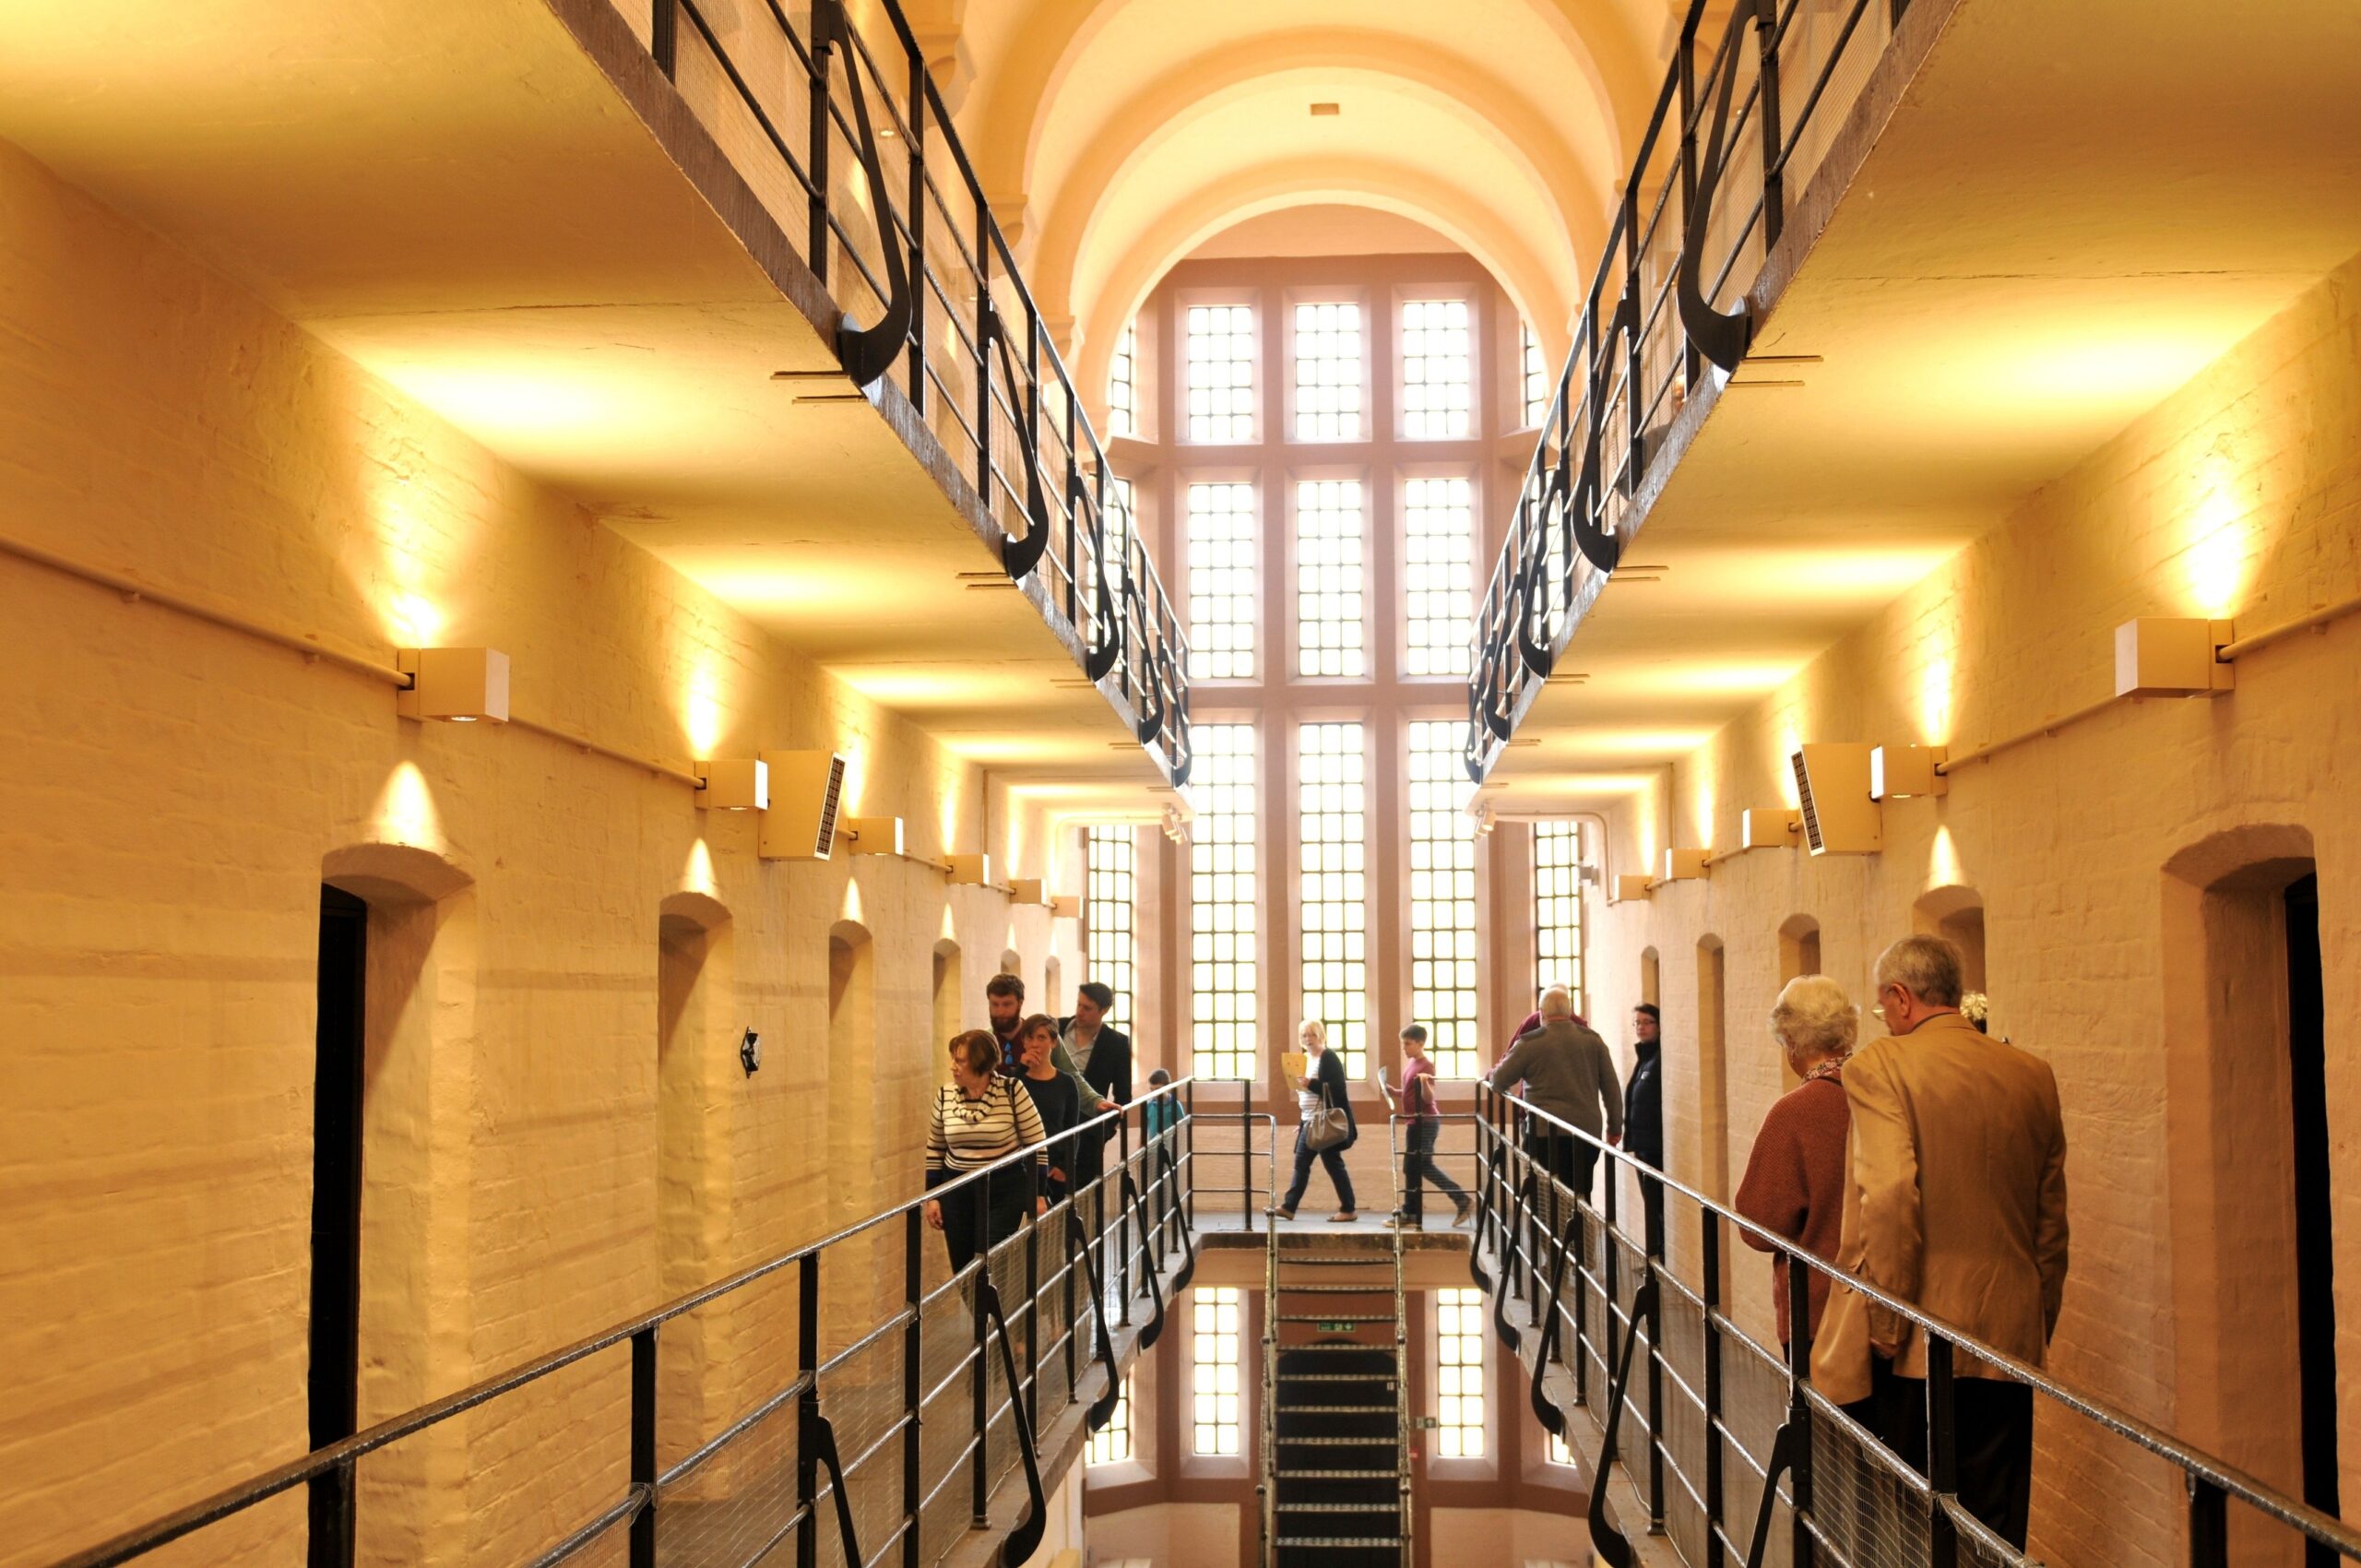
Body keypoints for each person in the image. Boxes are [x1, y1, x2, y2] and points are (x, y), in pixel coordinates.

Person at [1813, 935, 2069, 1550]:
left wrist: (1887, 1319)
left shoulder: (1881, 1067)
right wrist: (2033, 1324)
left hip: (1917, 1335)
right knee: (1995, 1522)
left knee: (1909, 1519)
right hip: (2007, 1334)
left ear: (1901, 998)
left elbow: (1893, 1195)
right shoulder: (2032, 1074)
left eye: (1881, 1008)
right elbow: (2051, 1226)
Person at [1733, 976, 1857, 1355]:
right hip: (1887, 1308)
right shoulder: (1882, 1093)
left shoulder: (1794, 1112)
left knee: (1819, 1413)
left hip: (1819, 1308)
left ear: (1790, 1040)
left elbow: (1759, 1226)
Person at [1489, 986, 1620, 1224]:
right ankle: (1583, 1256)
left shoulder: (1530, 1043)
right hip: (1585, 1133)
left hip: (1543, 1134)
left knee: (1544, 1197)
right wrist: (1615, 1127)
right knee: (1580, 1195)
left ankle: (1551, 1256)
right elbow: (1611, 1089)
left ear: (1541, 1013)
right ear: (1570, 1012)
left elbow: (1498, 1080)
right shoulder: (1593, 1041)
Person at [924, 1030, 1050, 1271]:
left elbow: (1037, 1145)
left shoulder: (1011, 1091)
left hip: (1004, 1189)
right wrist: (932, 1197)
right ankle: (978, 1310)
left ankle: (997, 1309)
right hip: (957, 1190)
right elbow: (935, 1148)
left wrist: (1038, 1194)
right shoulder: (945, 1095)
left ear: (980, 1062)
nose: (953, 1067)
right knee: (963, 1268)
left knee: (992, 1263)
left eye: (959, 1061)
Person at [1054, 980, 1133, 1206]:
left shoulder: (1116, 1043)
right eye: (1079, 1005)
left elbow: (1123, 1097)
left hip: (1088, 1136)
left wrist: (1102, 1133)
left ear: (1104, 1010)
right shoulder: (1055, 1030)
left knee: (1083, 1203)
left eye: (1087, 1008)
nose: (1079, 1012)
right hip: (1050, 1130)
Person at [1275, 1019, 1358, 1221]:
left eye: (1311, 1034)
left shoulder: (1328, 1057)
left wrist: (1310, 1083)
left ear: (1320, 1035)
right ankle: (1289, 1207)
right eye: (1304, 1035)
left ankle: (1348, 1209)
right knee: (1302, 1163)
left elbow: (1337, 1088)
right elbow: (1306, 1097)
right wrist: (1301, 1121)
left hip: (1325, 1121)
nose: (1308, 1039)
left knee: (1332, 1164)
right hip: (1309, 1120)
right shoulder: (1304, 1059)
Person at [1397, 1024, 1471, 1229]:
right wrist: (1394, 1091)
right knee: (1411, 1167)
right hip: (1415, 1121)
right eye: (1403, 1044)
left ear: (1420, 1043)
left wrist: (1424, 1084)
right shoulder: (1412, 1063)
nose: (1405, 1048)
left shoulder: (1426, 1066)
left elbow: (1428, 1098)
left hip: (1425, 1122)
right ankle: (1411, 1212)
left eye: (1408, 1044)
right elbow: (1408, 1092)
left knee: (1420, 1166)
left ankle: (1460, 1199)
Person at [1014, 1014, 1080, 1204]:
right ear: (1024, 1043)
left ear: (1053, 1042)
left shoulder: (1067, 1083)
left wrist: (1065, 1167)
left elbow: (1072, 1130)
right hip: (1022, 1167)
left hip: (1054, 1168)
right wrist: (1021, 1069)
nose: (1035, 1043)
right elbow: (1005, 1107)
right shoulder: (1015, 1081)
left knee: (1056, 1229)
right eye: (1029, 1038)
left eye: (1041, 1037)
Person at [1619, 1003, 1666, 1247]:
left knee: (1658, 1206)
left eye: (1647, 1022)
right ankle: (1656, 1259)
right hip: (1643, 1145)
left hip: (1654, 1147)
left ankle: (1661, 1262)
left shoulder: (1659, 1059)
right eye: (1637, 1023)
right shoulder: (1645, 1058)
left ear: (1659, 1025)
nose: (1641, 1027)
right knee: (1651, 1205)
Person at [985, 971, 1027, 1075]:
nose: (1000, 1012)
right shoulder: (982, 1042)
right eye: (995, 1004)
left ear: (1020, 1003)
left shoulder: (1042, 1036)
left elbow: (1072, 1075)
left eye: (1007, 1004)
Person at [1141, 1066, 1184, 1140]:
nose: (1155, 1093)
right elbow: (1144, 1128)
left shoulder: (1175, 1105)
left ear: (1167, 1087)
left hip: (1170, 1146)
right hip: (1153, 1146)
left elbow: (1183, 1128)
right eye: (1152, 1089)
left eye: (1158, 1089)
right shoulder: (1149, 1105)